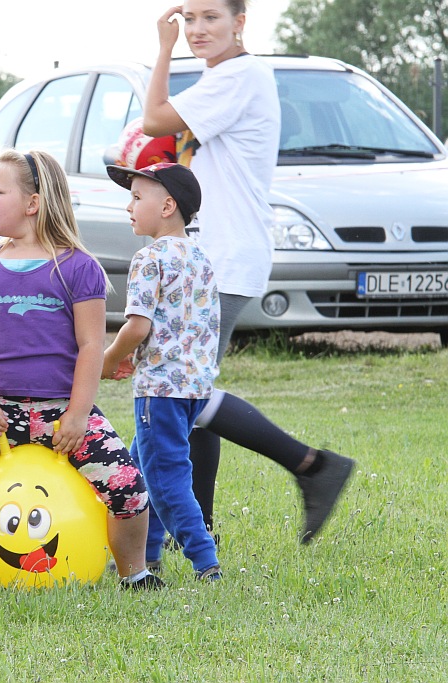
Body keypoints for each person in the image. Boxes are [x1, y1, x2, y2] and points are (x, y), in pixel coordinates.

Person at [142, 0, 354, 545]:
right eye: (188, 19)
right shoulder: (227, 79)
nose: (195, 29)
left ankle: (312, 466)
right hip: (218, 253)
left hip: (224, 255)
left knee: (185, 391)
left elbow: (154, 119)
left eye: (210, 17)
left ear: (241, 22)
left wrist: (162, 50)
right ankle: (200, 527)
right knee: (194, 389)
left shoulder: (239, 75)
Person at [0, 149, 161, 591]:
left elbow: (90, 346)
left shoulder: (79, 268)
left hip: (63, 412)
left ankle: (134, 573)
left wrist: (79, 416)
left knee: (128, 488)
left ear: (33, 203)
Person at [102, 161, 221, 580]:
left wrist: (111, 358)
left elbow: (138, 325)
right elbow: (184, 325)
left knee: (167, 480)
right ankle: (144, 556)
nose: (129, 206)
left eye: (137, 197)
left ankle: (205, 563)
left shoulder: (149, 258)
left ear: (168, 205)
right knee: (138, 475)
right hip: (194, 388)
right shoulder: (201, 258)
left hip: (159, 390)